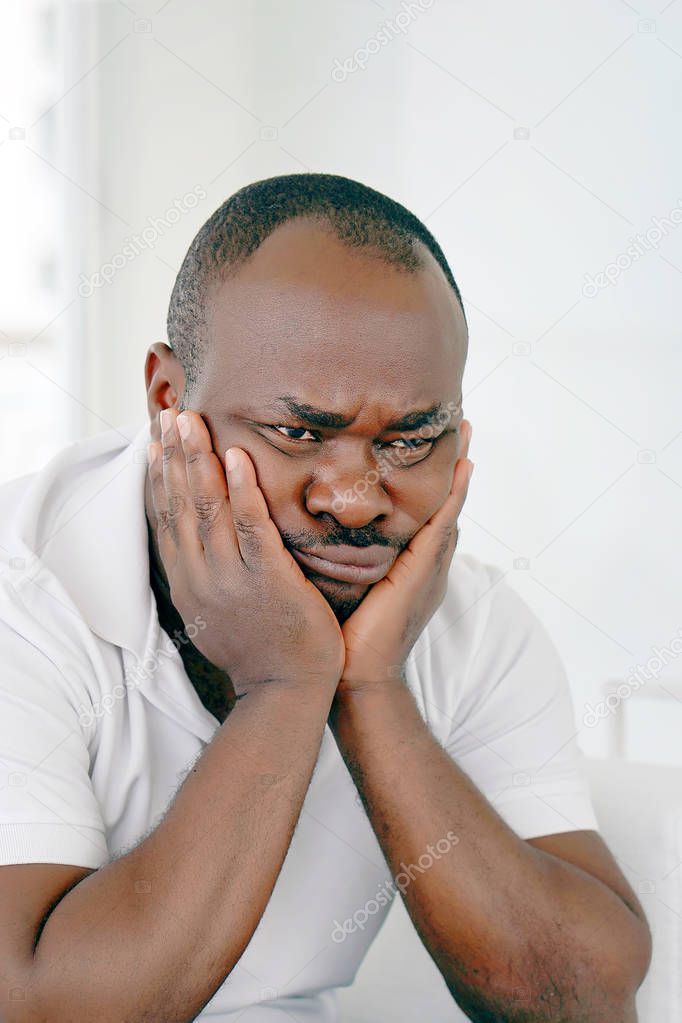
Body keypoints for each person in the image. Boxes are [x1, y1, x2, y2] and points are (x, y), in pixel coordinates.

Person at [0, 173, 650, 1022]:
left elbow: (586, 1002)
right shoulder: (26, 596)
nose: (355, 499)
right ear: (169, 402)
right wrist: (283, 686)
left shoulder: (471, 624)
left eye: (410, 439)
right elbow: (42, 1010)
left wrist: (371, 689)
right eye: (299, 432)